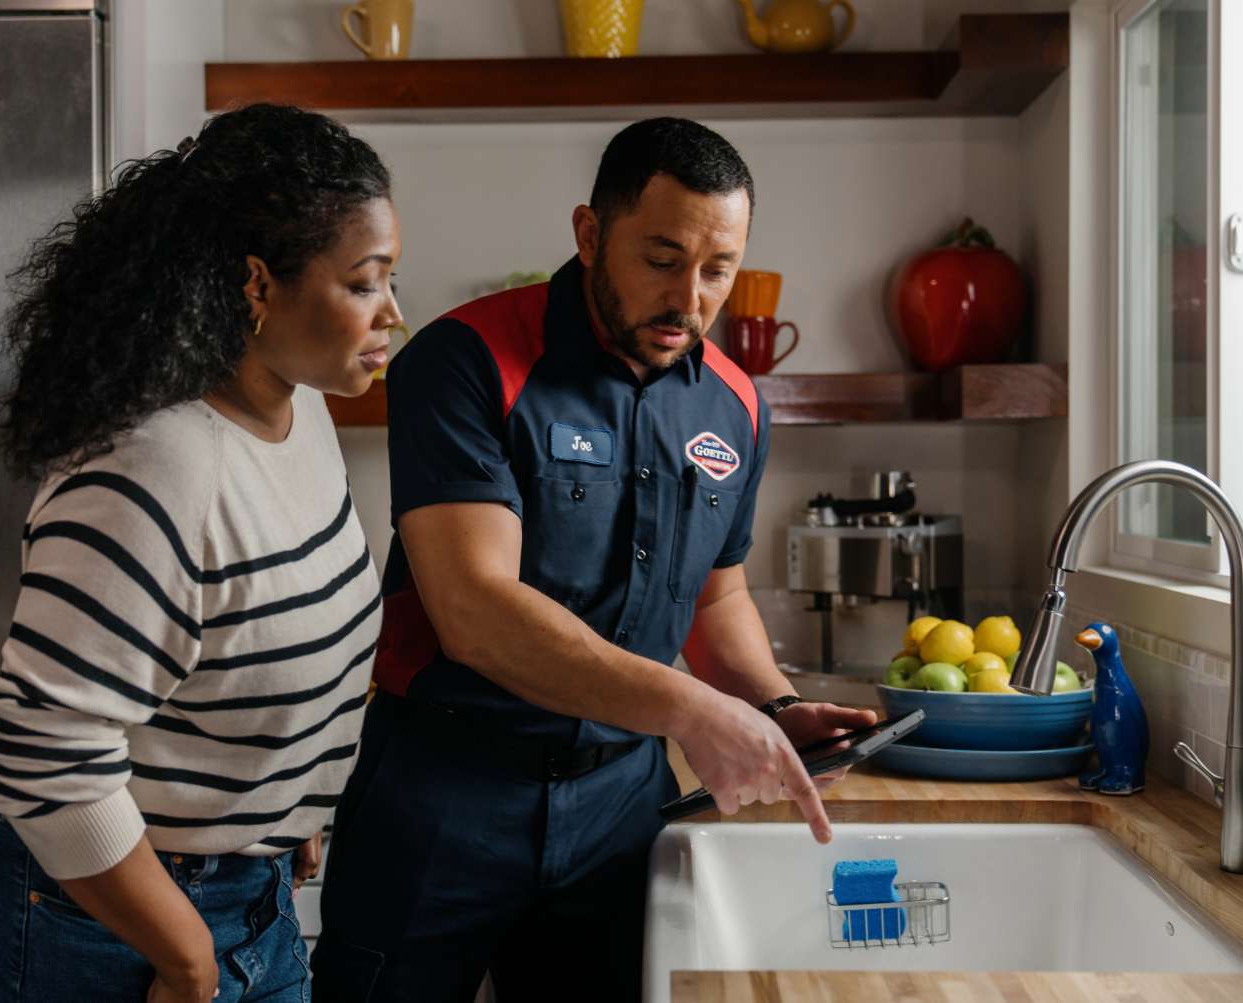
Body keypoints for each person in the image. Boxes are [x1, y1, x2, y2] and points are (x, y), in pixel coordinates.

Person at [310, 117, 876, 1003]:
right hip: (440, 798)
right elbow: (476, 612)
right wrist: (696, 712)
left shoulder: (735, 404)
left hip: (620, 810)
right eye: (660, 257)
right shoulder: (463, 361)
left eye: (717, 269)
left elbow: (714, 597)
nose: (689, 297)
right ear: (587, 235)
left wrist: (773, 707)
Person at [0, 103, 401, 1003]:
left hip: (240, 885)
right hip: (97, 917)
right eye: (364, 283)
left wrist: (282, 791)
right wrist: (186, 959)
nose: (392, 312)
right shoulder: (156, 465)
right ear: (257, 286)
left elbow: (255, 624)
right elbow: (42, 749)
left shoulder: (296, 408)